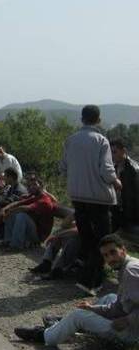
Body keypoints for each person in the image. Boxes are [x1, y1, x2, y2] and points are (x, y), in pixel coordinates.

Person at [15, 234, 139, 347]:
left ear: (123, 250)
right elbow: (119, 307)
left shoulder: (130, 271)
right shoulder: (130, 265)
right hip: (131, 322)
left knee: (77, 316)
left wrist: (127, 320)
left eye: (113, 252)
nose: (110, 258)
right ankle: (63, 325)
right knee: (110, 297)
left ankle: (43, 335)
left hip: (131, 333)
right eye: (106, 255)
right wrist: (92, 308)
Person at [60, 104, 122, 294]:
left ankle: (89, 277)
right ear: (99, 119)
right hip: (99, 198)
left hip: (77, 197)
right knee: (103, 240)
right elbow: (106, 170)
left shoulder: (71, 140)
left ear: (82, 119)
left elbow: (63, 168)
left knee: (87, 238)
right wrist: (116, 181)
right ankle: (89, 281)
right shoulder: (101, 141)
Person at [0, 176, 57, 249]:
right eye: (30, 185)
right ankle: (8, 241)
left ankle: (16, 245)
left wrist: (9, 212)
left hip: (39, 235)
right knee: (13, 214)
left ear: (41, 186)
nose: (32, 187)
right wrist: (4, 209)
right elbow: (18, 203)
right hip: (33, 229)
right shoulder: (34, 196)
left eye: (35, 184)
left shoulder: (44, 200)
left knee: (21, 215)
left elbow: (24, 208)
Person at [29, 206, 80, 280]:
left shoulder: (94, 214)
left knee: (72, 240)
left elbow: (78, 230)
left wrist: (56, 235)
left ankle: (57, 270)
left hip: (89, 246)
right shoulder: (82, 213)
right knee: (59, 232)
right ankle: (46, 263)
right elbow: (64, 225)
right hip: (78, 239)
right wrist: (74, 214)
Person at [110, 139, 139, 234]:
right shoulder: (113, 168)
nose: (112, 155)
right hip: (116, 212)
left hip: (130, 215)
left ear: (124, 151)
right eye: (110, 152)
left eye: (114, 152)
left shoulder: (134, 169)